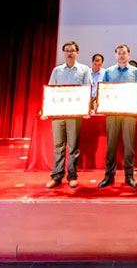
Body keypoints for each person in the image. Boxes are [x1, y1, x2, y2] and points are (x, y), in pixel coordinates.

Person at [98, 45, 137, 188]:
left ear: (128, 55)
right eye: (119, 53)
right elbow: (104, 90)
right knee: (111, 146)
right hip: (112, 112)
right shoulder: (108, 72)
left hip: (129, 113)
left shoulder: (135, 72)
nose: (121, 55)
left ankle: (129, 176)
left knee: (129, 146)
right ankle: (109, 176)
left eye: (124, 53)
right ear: (115, 55)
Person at [46, 41, 92, 189]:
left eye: (72, 50)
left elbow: (88, 90)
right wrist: (46, 109)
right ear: (63, 53)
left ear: (77, 52)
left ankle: (72, 176)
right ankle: (56, 176)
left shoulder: (84, 70)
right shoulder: (57, 71)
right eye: (67, 50)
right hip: (58, 113)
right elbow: (51, 91)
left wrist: (86, 109)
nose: (69, 53)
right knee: (58, 146)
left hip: (75, 113)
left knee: (73, 146)